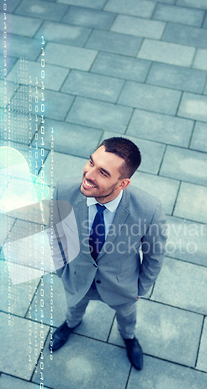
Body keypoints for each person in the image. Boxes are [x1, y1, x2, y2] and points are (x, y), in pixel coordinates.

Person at [50, 137, 167, 370]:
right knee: (74, 307)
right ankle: (71, 324)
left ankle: (129, 339)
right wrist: (63, 270)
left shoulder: (149, 210)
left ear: (122, 184)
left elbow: (154, 255)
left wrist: (140, 289)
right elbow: (56, 233)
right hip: (78, 276)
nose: (88, 175)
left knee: (127, 316)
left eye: (103, 172)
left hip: (122, 284)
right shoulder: (65, 189)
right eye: (91, 162)